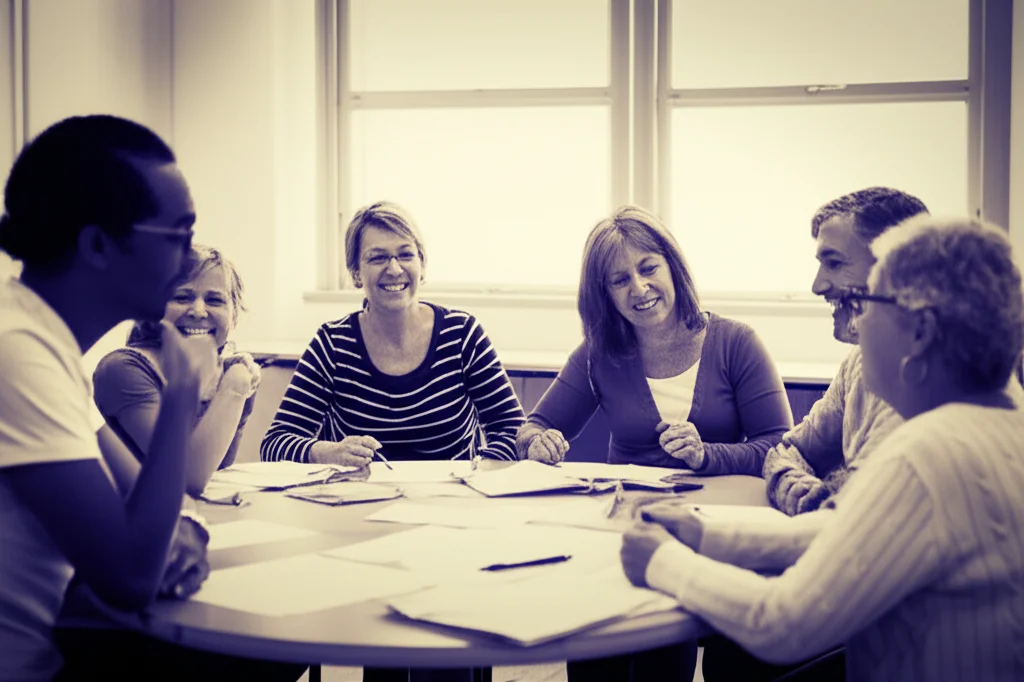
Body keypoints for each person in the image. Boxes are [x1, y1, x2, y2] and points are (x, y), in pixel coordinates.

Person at [623, 216, 1024, 682]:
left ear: (920, 332)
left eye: (865, 302)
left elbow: (780, 623)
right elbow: (848, 533)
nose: (858, 320)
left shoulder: (926, 455)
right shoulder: (1000, 425)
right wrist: (705, 536)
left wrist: (662, 561)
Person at [0, 114, 304, 682]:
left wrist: (179, 528)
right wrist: (187, 388)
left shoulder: (44, 343)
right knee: (268, 653)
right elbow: (132, 574)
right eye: (176, 236)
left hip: (70, 639)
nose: (187, 256)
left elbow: (145, 497)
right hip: (41, 666)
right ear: (96, 244)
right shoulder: (16, 353)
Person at [516, 205, 793, 682]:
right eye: (620, 280)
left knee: (658, 649)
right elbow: (533, 425)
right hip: (621, 531)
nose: (639, 289)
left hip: (707, 535)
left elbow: (781, 447)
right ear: (605, 294)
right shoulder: (598, 355)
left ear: (672, 265)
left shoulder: (736, 342)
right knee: (596, 642)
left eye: (648, 268)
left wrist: (709, 454)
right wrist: (539, 442)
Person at [261, 200, 525, 682]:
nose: (394, 269)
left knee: (448, 655)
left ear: (422, 263)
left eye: (406, 254)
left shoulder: (462, 334)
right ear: (354, 272)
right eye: (377, 257)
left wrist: (480, 467)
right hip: (366, 531)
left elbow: (511, 428)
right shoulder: (332, 343)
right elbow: (276, 442)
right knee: (388, 652)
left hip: (454, 524)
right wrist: (329, 451)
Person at [762, 187, 927, 516]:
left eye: (834, 263)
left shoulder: (932, 378)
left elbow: (866, 508)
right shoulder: (858, 362)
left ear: (893, 268)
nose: (817, 285)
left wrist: (827, 495)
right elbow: (787, 450)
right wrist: (791, 484)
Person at [93, 244, 261, 497]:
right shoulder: (122, 370)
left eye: (215, 300)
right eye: (182, 297)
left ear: (234, 315)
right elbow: (187, 479)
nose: (198, 311)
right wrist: (235, 387)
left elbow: (217, 469)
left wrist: (231, 386)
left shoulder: (226, 372)